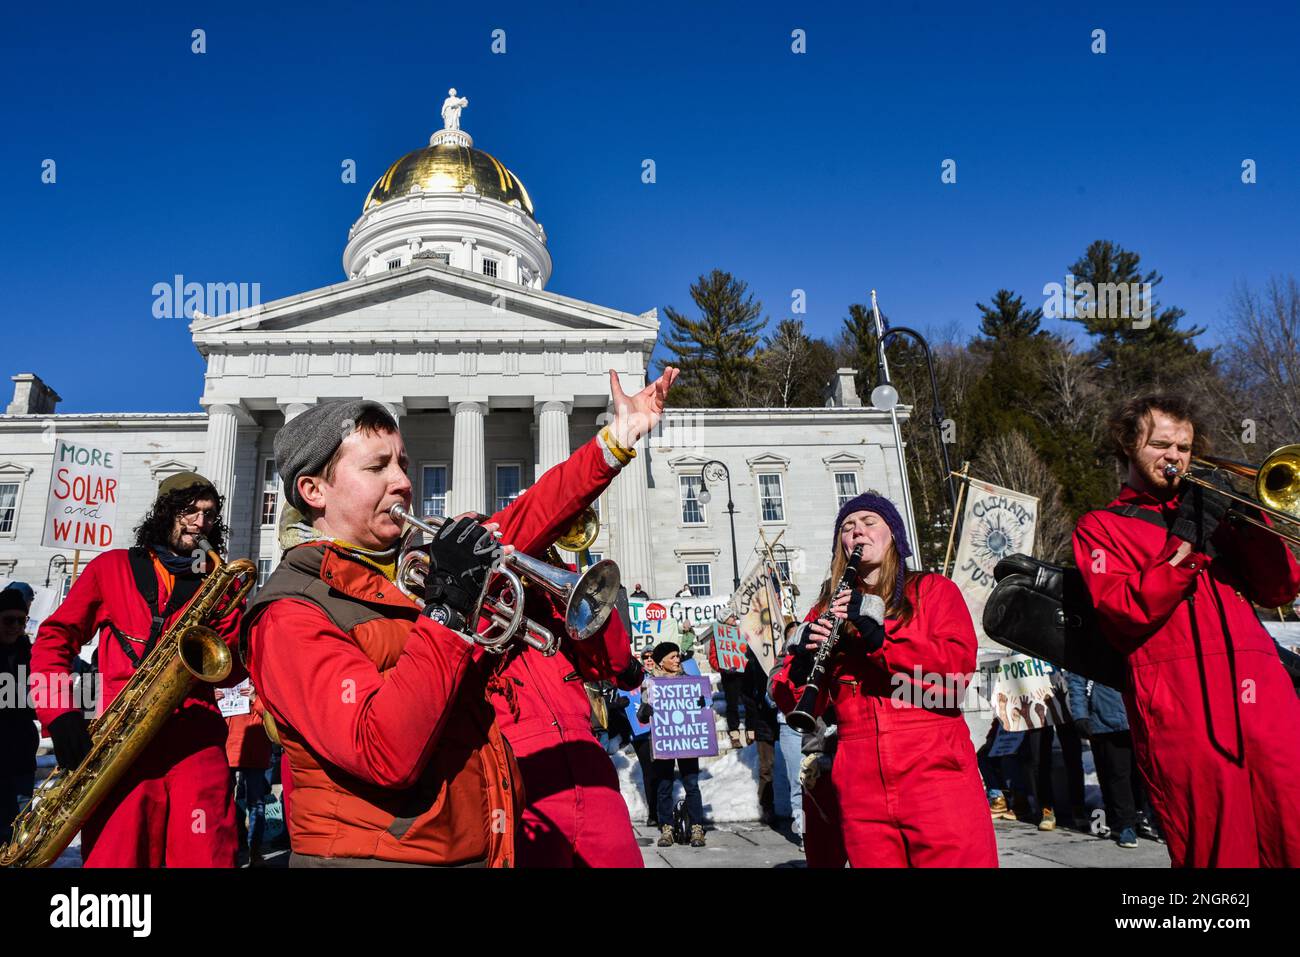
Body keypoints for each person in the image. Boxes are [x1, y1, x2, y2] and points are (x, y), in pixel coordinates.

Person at [1072, 394, 1300, 867]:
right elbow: (1125, 609)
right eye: (1160, 445)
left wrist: (1249, 522)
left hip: (1267, 707)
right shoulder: (1102, 526)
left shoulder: (1218, 516)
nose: (1175, 457)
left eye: (1184, 447)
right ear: (1128, 445)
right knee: (1219, 851)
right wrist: (1189, 538)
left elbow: (1282, 587)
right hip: (1183, 711)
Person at [28, 472, 245, 867]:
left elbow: (232, 670)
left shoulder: (220, 584)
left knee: (208, 856)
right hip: (120, 747)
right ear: (164, 513)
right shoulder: (111, 567)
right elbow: (53, 641)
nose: (200, 523)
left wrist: (233, 632)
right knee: (117, 861)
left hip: (194, 746)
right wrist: (59, 715)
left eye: (209, 514)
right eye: (189, 511)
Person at [771, 492, 998, 867]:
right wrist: (800, 671)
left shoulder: (932, 591)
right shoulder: (827, 607)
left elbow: (953, 679)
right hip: (860, 781)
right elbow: (802, 706)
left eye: (869, 521)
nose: (857, 531)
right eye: (847, 527)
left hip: (934, 770)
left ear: (893, 534)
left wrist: (882, 637)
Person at [1066, 671, 1145, 848]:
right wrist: (1080, 716)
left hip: (1138, 714)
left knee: (1140, 774)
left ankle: (1139, 818)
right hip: (1105, 719)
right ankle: (1125, 824)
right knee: (1117, 775)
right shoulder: (1086, 648)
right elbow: (1077, 681)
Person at [641, 641, 706, 848]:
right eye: (673, 657)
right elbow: (641, 717)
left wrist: (702, 703)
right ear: (661, 662)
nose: (677, 660)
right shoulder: (651, 685)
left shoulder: (689, 682)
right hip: (664, 742)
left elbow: (702, 706)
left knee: (692, 784)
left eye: (678, 656)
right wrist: (646, 710)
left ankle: (697, 827)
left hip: (685, 739)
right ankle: (667, 827)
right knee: (664, 786)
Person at [1, 587, 38, 845]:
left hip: (22, 754)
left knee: (20, 832)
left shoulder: (33, 653)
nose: (15, 626)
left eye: (21, 620)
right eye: (8, 620)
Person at [224, 682, 273, 866]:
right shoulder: (224, 677)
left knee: (257, 805)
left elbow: (272, 715)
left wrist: (255, 698)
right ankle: (233, 850)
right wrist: (217, 699)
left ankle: (255, 852)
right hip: (230, 750)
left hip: (256, 752)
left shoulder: (261, 681)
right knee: (226, 804)